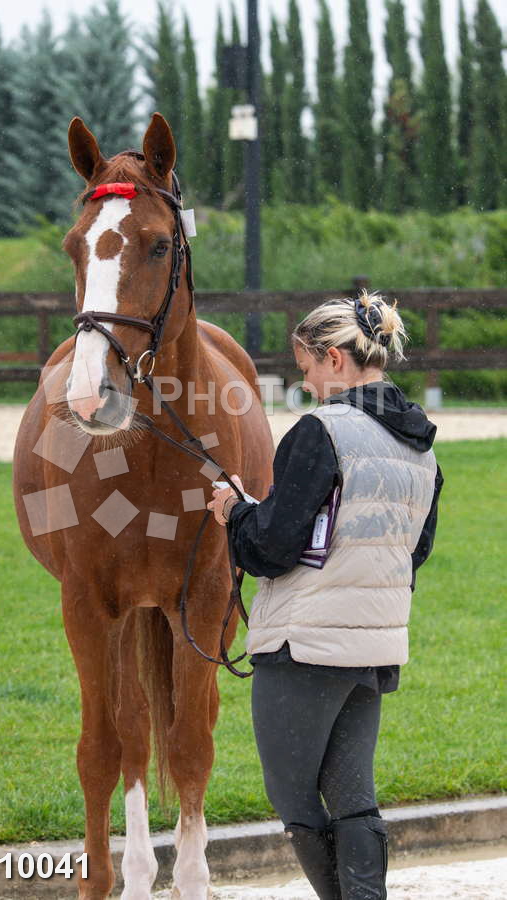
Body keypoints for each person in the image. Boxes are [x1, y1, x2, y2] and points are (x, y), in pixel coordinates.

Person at [207, 292, 443, 900]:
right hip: (374, 648)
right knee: (353, 798)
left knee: (294, 798)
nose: (306, 383)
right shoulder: (421, 447)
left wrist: (235, 513)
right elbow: (411, 551)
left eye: (307, 368)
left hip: (304, 646)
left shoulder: (320, 431)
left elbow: (271, 549)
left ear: (334, 359)